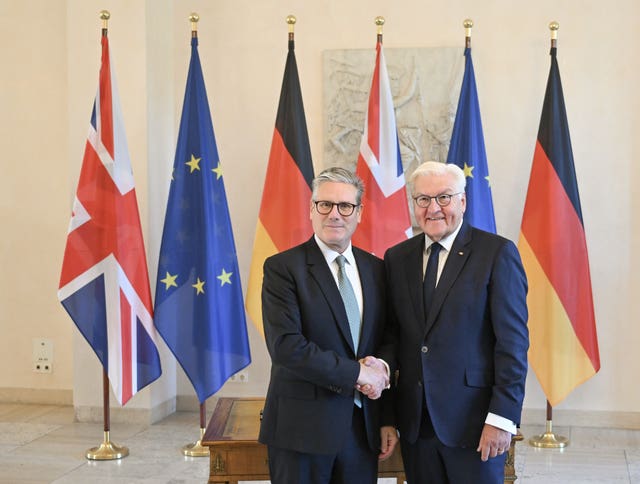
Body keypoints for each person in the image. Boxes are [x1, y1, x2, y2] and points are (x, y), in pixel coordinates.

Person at [381, 161, 529, 484]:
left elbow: (513, 345)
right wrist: (388, 415)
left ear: (463, 201)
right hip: (417, 427)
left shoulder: (497, 254)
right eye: (423, 199)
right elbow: (392, 337)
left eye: (444, 198)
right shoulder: (397, 258)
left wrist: (502, 417)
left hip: (475, 425)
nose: (433, 208)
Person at [259, 166, 398, 484]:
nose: (335, 214)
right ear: (312, 209)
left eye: (345, 206)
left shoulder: (376, 269)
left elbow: (388, 337)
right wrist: (359, 373)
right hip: (301, 432)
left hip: (362, 431)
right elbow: (286, 347)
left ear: (359, 212)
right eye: (325, 204)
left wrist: (386, 409)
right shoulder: (283, 268)